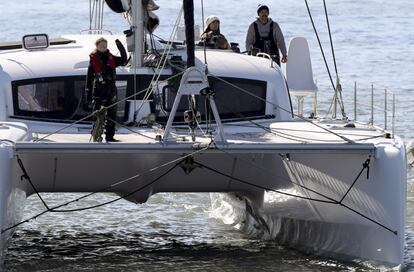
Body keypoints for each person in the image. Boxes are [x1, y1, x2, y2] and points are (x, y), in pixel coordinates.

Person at [86, 37, 127, 142]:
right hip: (99, 90)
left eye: (105, 45)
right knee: (98, 115)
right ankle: (96, 135)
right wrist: (88, 93)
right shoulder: (93, 59)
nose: (104, 47)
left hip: (111, 90)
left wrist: (120, 46)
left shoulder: (111, 57)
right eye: (101, 46)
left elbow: (124, 60)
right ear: (97, 46)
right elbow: (89, 77)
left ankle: (110, 136)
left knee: (112, 114)